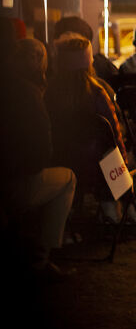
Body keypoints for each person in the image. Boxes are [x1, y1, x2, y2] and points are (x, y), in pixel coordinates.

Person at [0, 20, 76, 278]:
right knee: (67, 179)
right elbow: (40, 153)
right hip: (15, 183)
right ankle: (41, 257)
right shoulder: (30, 96)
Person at [44, 34, 132, 222]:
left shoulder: (49, 93)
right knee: (124, 158)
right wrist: (122, 164)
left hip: (61, 161)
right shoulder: (97, 93)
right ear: (89, 61)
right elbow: (113, 135)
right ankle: (115, 209)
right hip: (98, 167)